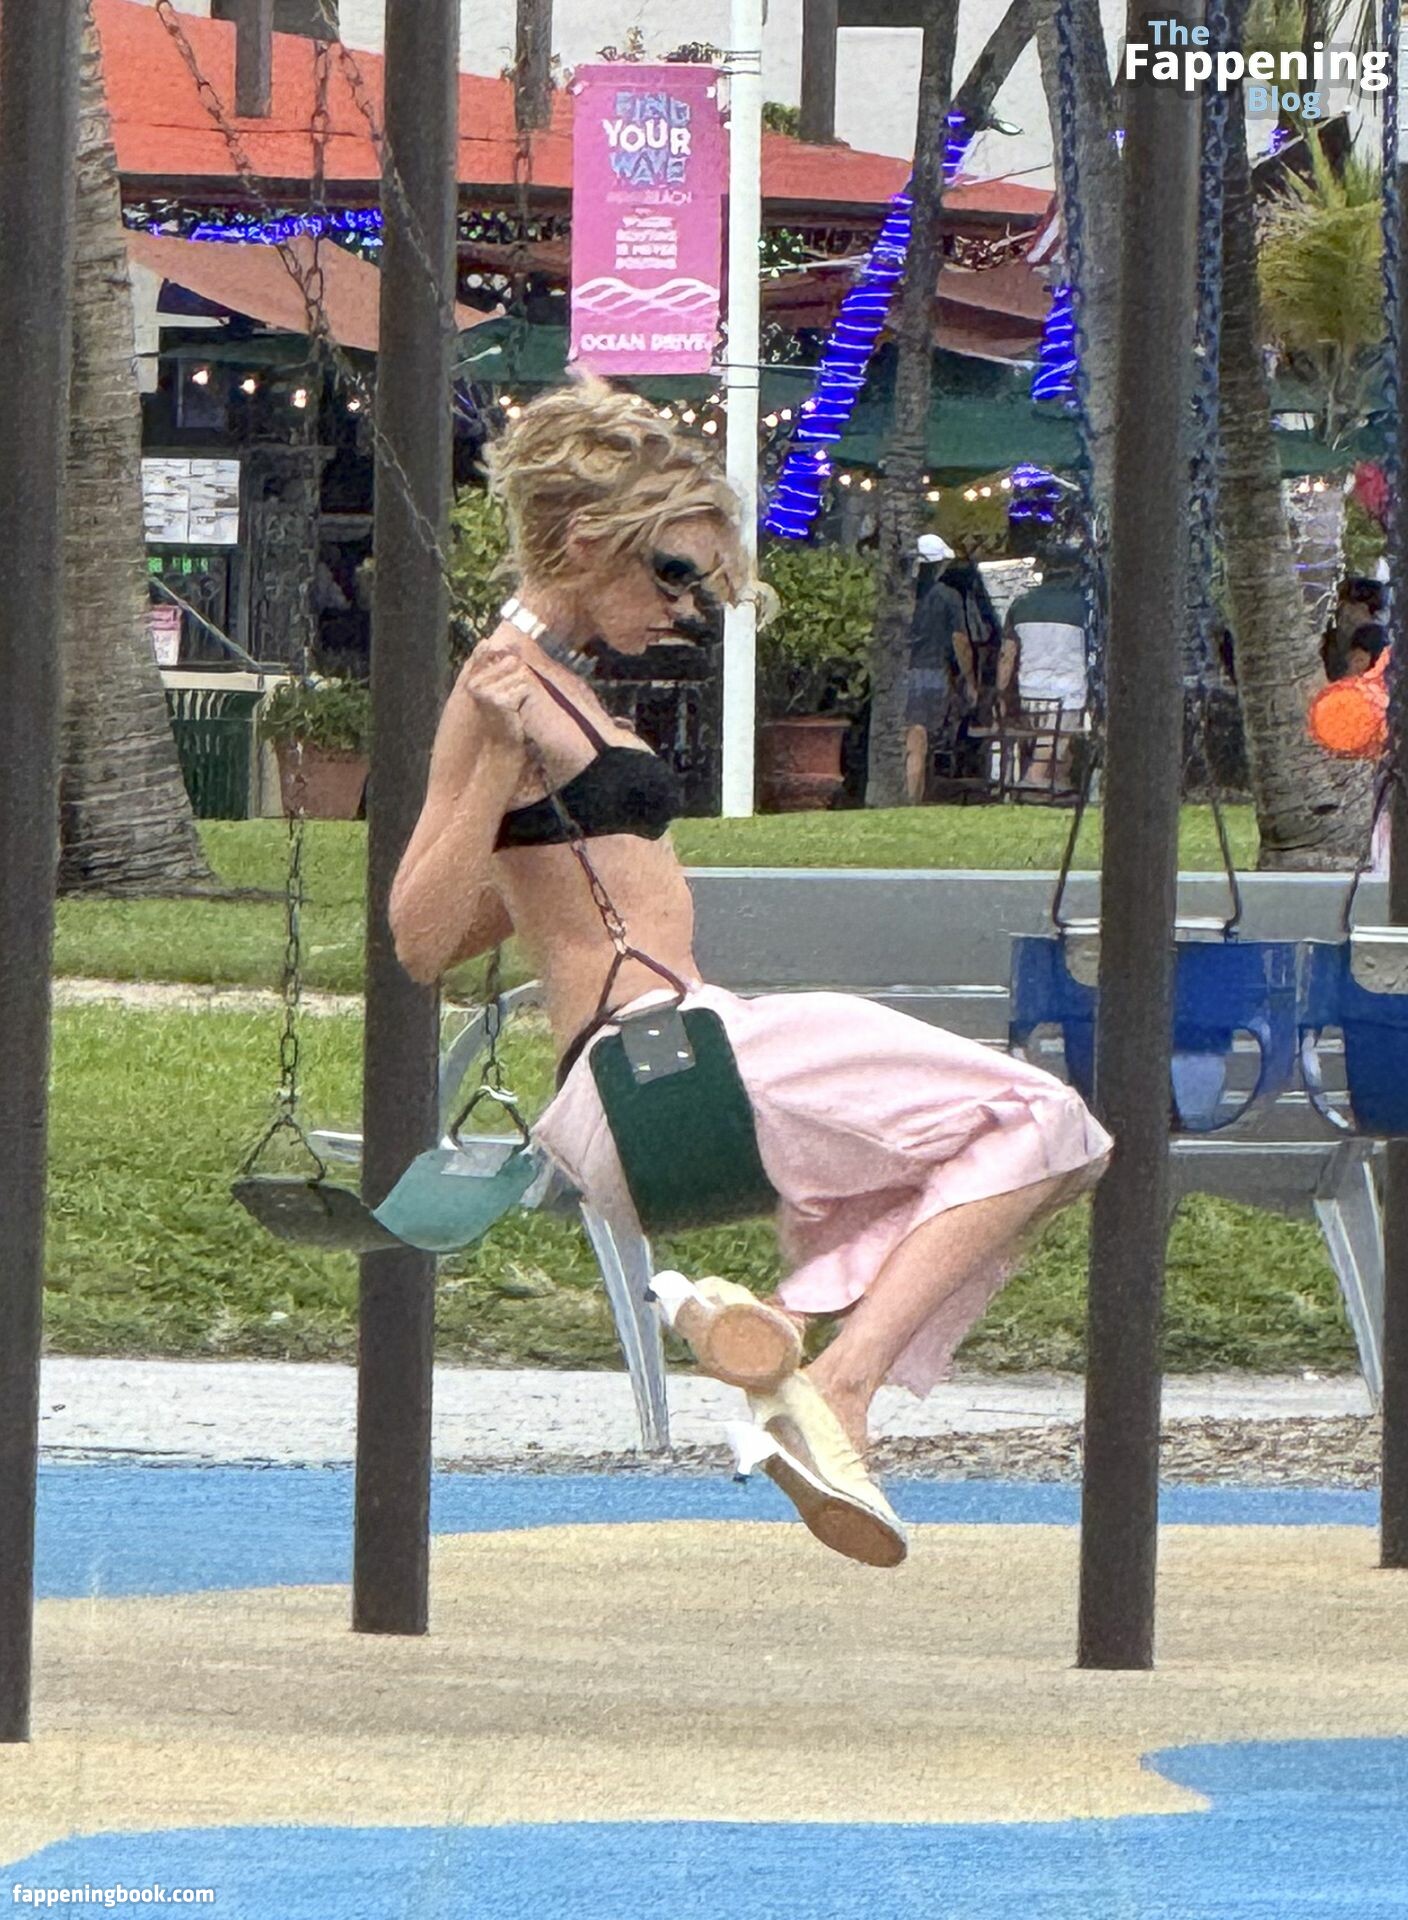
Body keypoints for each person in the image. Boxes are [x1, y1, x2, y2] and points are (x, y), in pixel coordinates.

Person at [390, 381, 1111, 1570]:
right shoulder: (499, 686)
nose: (685, 607)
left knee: (999, 1158)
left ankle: (772, 1339)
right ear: (588, 540)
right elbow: (421, 938)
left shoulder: (555, 684)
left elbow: (503, 905)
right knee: (1045, 1120)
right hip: (650, 1066)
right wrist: (492, 769)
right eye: (674, 573)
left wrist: (524, 816)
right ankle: (835, 1383)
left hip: (674, 1061)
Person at [998, 550, 1089, 791]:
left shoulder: (1021, 604)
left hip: (1029, 691)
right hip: (1069, 692)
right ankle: (1032, 781)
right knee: (1054, 743)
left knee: (1051, 747)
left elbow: (1007, 655)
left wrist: (1000, 693)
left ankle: (1053, 787)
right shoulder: (1084, 606)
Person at [905, 534, 975, 801]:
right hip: (933, 673)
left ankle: (915, 795)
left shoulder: (900, 596)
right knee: (919, 739)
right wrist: (970, 680)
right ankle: (912, 800)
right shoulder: (948, 597)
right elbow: (960, 642)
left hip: (900, 675)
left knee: (908, 740)